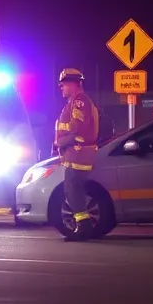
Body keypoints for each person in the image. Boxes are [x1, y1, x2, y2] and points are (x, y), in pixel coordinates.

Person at [54, 68, 100, 240]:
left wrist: (60, 141)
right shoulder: (75, 101)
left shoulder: (79, 101)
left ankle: (84, 226)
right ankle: (83, 224)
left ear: (76, 84)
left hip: (78, 155)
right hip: (74, 154)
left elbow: (76, 129)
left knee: (73, 189)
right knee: (73, 189)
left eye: (65, 84)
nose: (62, 88)